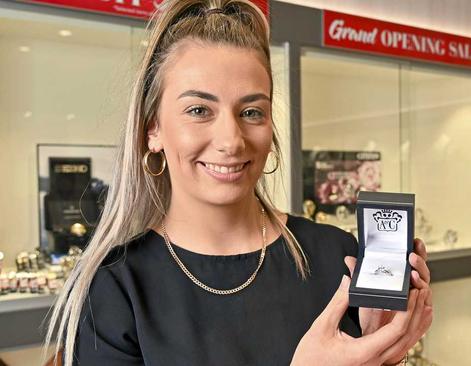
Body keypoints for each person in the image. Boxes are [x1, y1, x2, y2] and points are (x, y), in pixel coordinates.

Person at [44, 1, 433, 365]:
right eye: (199, 110)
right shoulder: (115, 291)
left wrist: (380, 350)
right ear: (153, 130)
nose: (231, 141)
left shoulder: (336, 256)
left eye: (251, 111)